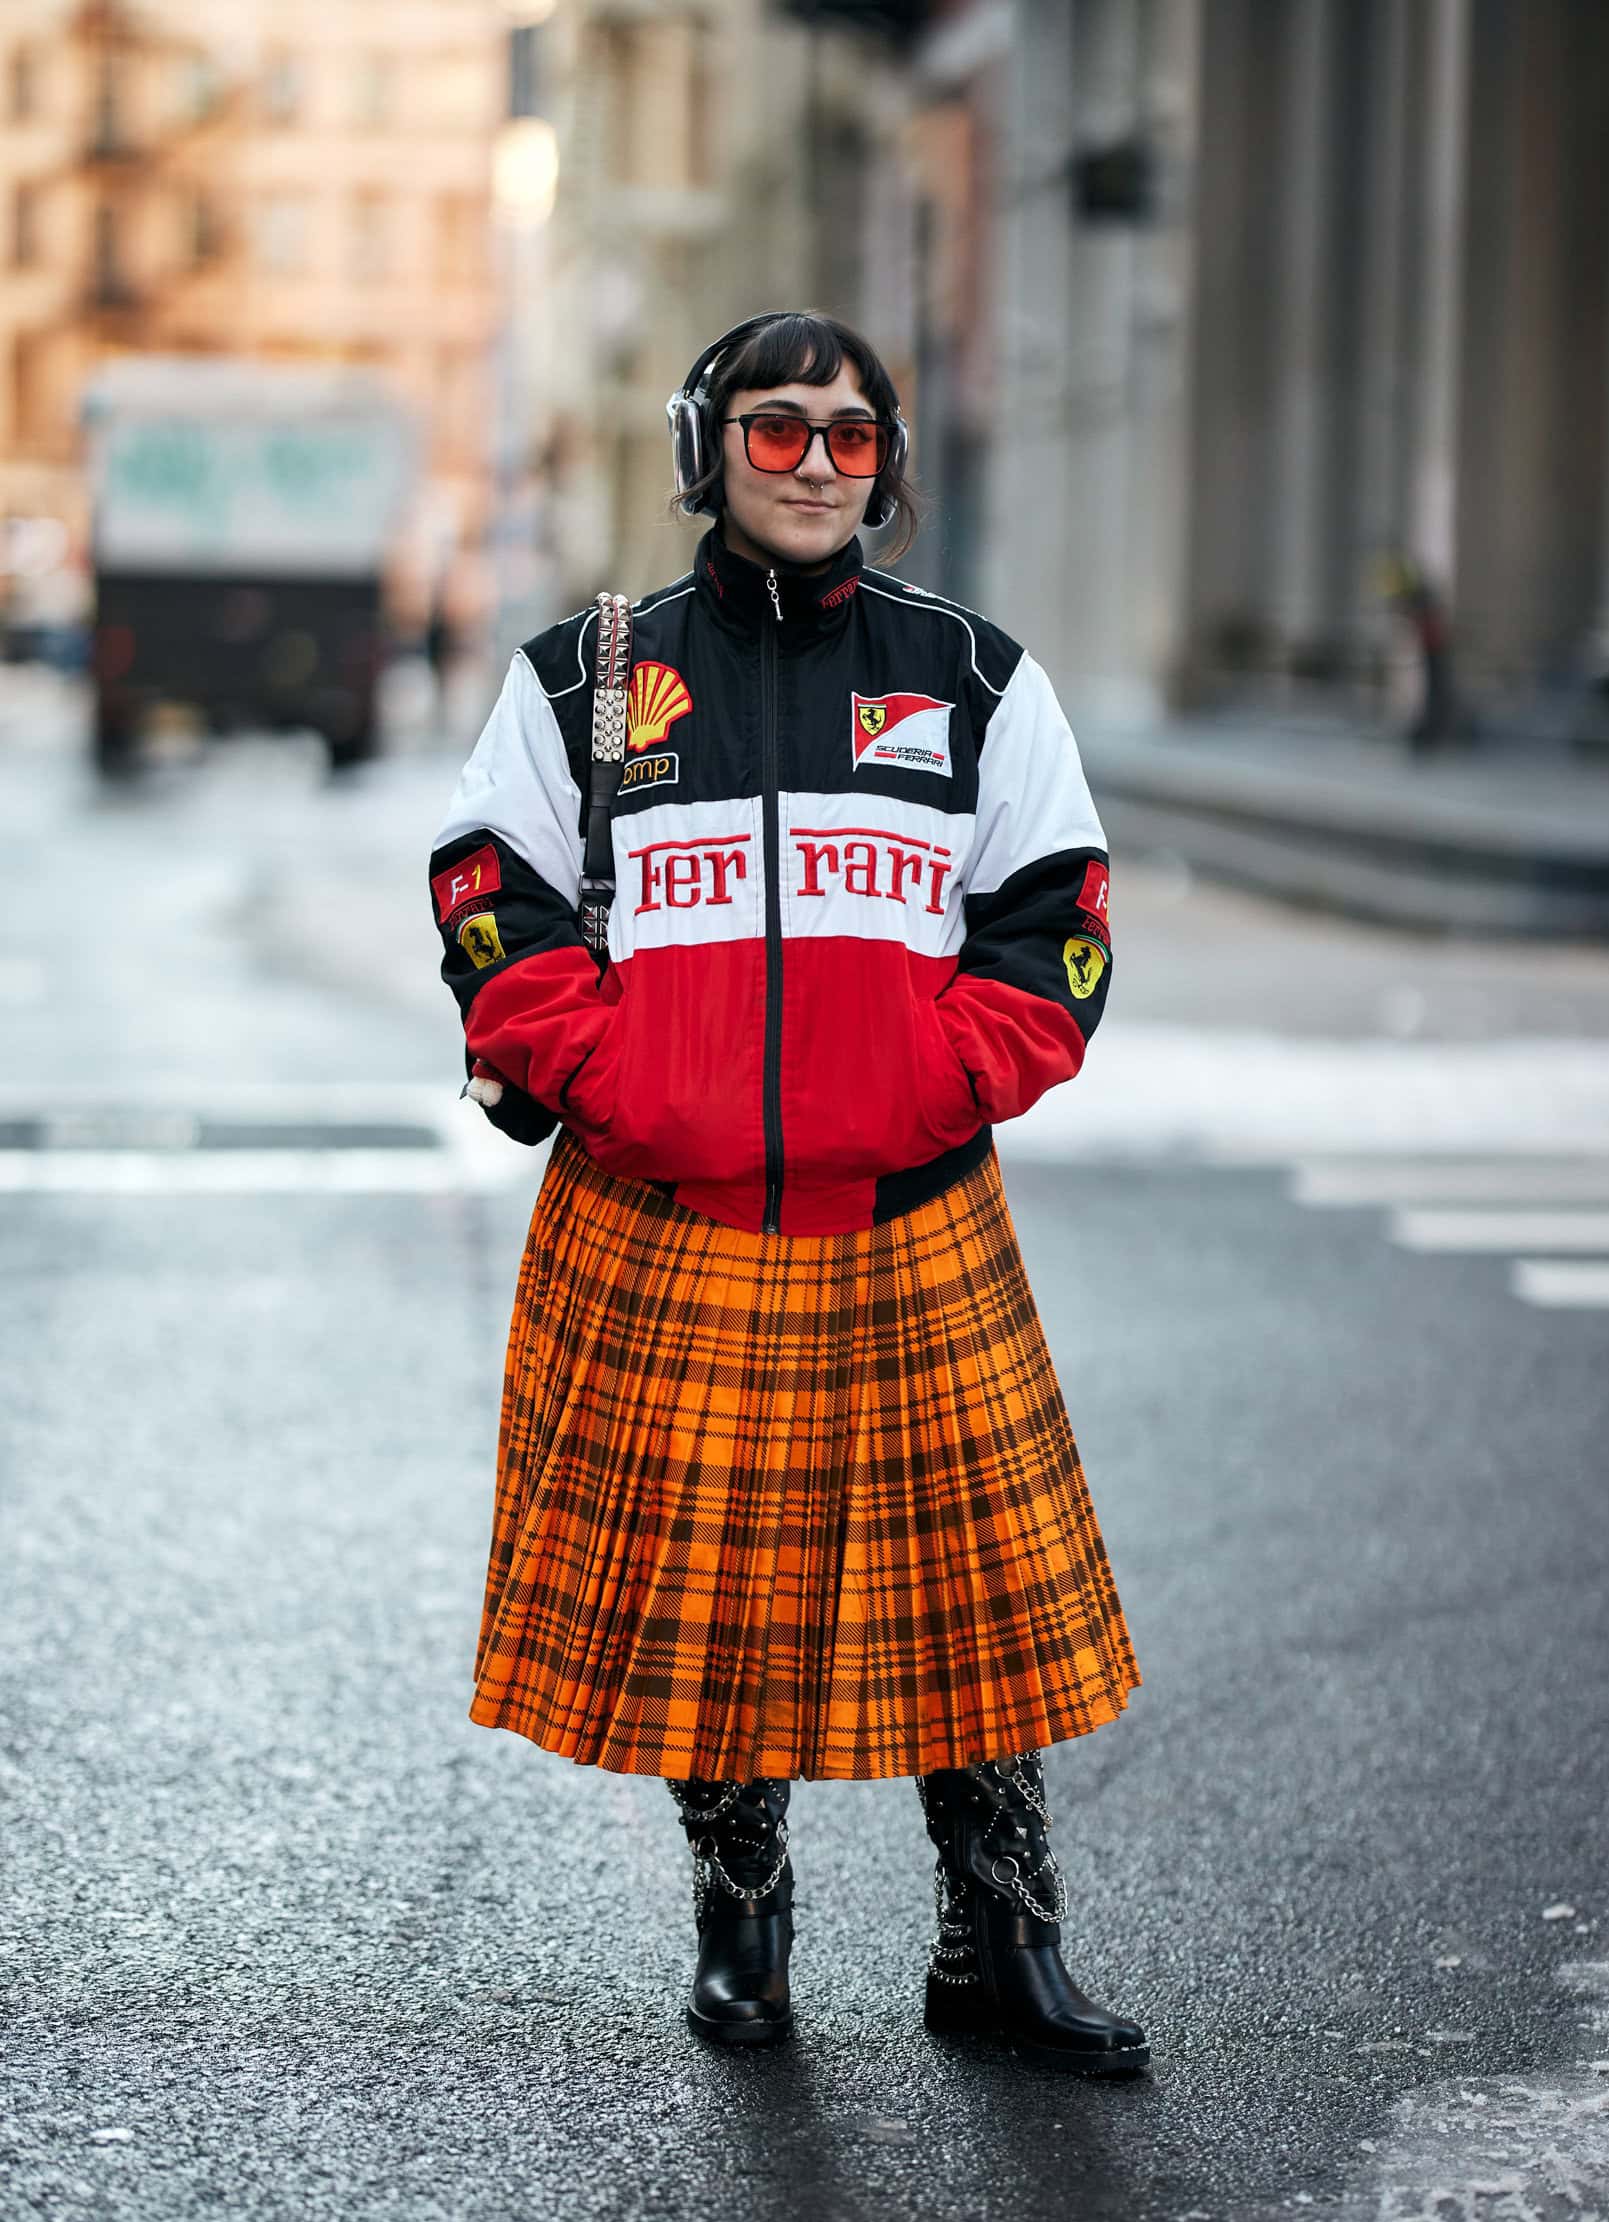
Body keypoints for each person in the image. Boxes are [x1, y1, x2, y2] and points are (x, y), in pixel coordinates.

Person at [427, 310, 1149, 2076]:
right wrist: (615, 1080)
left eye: (850, 434)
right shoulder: (587, 683)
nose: (819, 463)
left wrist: (933, 1084)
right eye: (776, 430)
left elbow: (1057, 915)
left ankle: (1001, 1942)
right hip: (660, 1210)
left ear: (886, 465)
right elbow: (486, 893)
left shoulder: (975, 674)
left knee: (979, 1590)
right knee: (710, 1590)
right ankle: (741, 1925)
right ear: (708, 450)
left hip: (911, 1206)